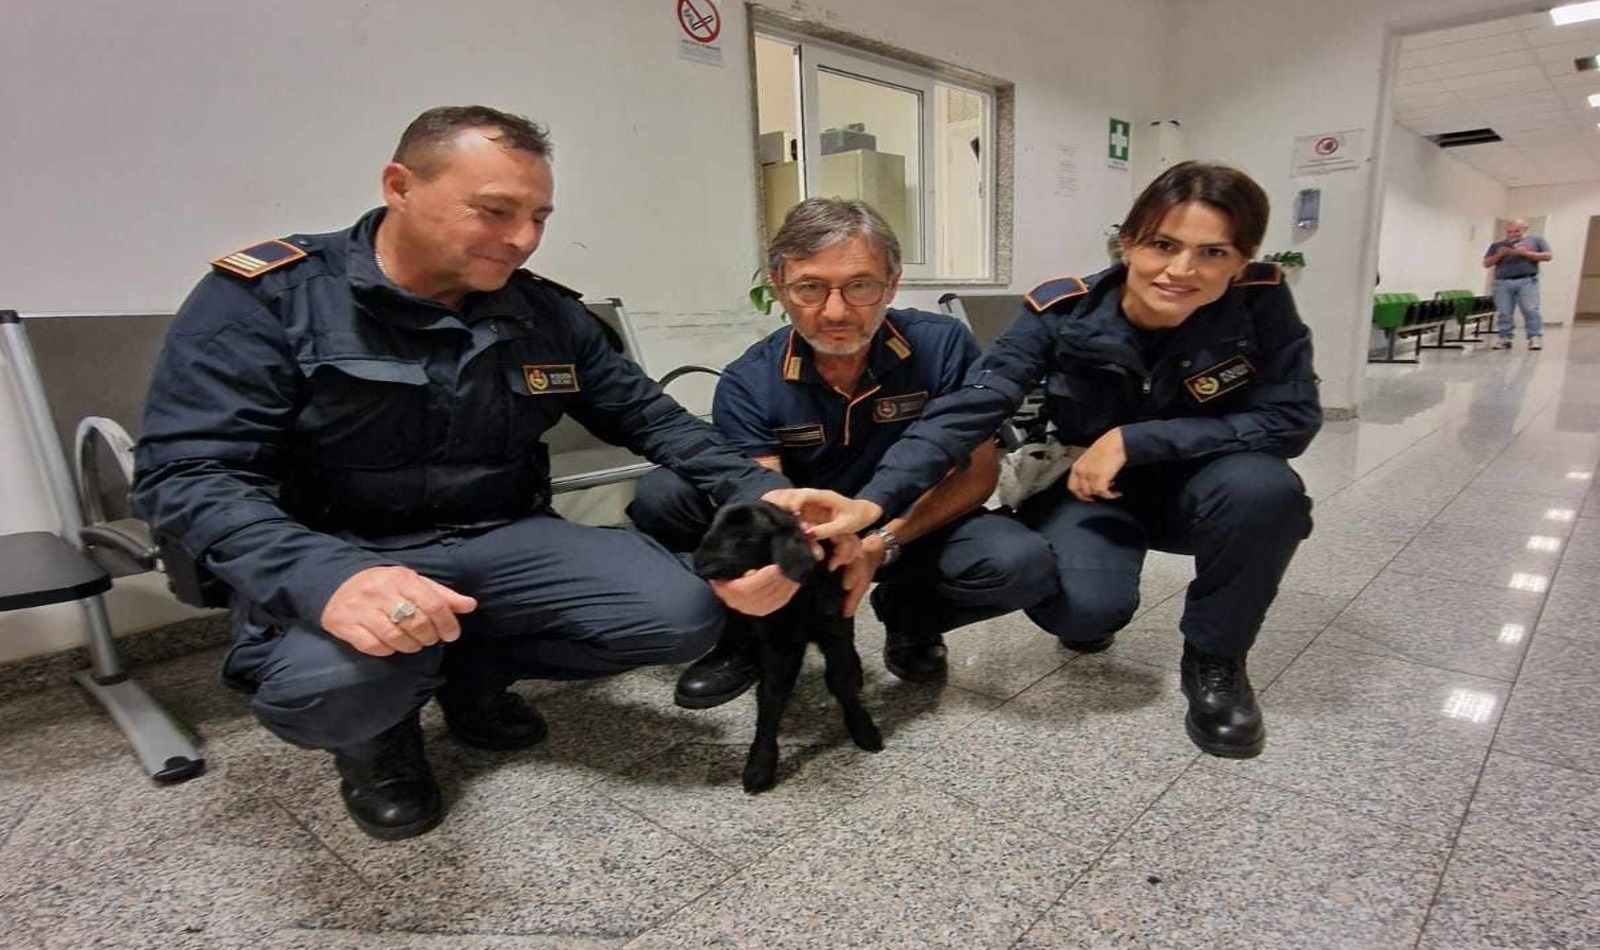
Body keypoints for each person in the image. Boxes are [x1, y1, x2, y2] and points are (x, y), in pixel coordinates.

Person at [132, 105, 848, 840]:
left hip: (499, 535)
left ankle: (473, 677)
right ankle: (379, 741)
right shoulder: (268, 298)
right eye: (496, 211)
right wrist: (327, 580)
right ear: (399, 185)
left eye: (539, 215)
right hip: (342, 550)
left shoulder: (544, 314)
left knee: (680, 611)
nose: (524, 238)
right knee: (330, 687)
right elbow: (187, 472)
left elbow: (654, 421)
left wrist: (768, 497)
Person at [801, 161, 1321, 759]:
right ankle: (1060, 604)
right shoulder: (1063, 312)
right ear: (1127, 241)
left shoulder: (1261, 303)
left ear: (1242, 259)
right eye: (1162, 244)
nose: (1181, 270)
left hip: (1204, 489)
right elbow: (972, 406)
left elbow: (1292, 418)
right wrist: (874, 501)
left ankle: (1216, 663)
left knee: (1267, 491)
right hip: (1086, 490)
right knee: (1084, 613)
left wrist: (1134, 441)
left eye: (1213, 252)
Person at [628, 198, 1059, 706]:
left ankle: (909, 616)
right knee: (664, 494)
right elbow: (765, 510)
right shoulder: (749, 380)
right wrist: (803, 560)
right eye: (810, 287)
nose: (835, 312)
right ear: (779, 288)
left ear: (892, 284)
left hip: (909, 523)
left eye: (860, 286)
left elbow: (978, 474)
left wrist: (880, 545)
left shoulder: (942, 345)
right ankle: (747, 630)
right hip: (808, 532)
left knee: (1021, 561)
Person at [1482, 219, 1552, 350]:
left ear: (1525, 229)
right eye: (1509, 231)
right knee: (1504, 311)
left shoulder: (1536, 240)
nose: (1513, 234)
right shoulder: (1497, 245)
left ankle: (1534, 338)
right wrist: (1499, 255)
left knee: (1530, 309)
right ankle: (1504, 338)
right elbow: (1486, 263)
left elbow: (1548, 256)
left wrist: (1526, 254)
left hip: (1527, 280)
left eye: (1516, 231)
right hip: (1502, 281)